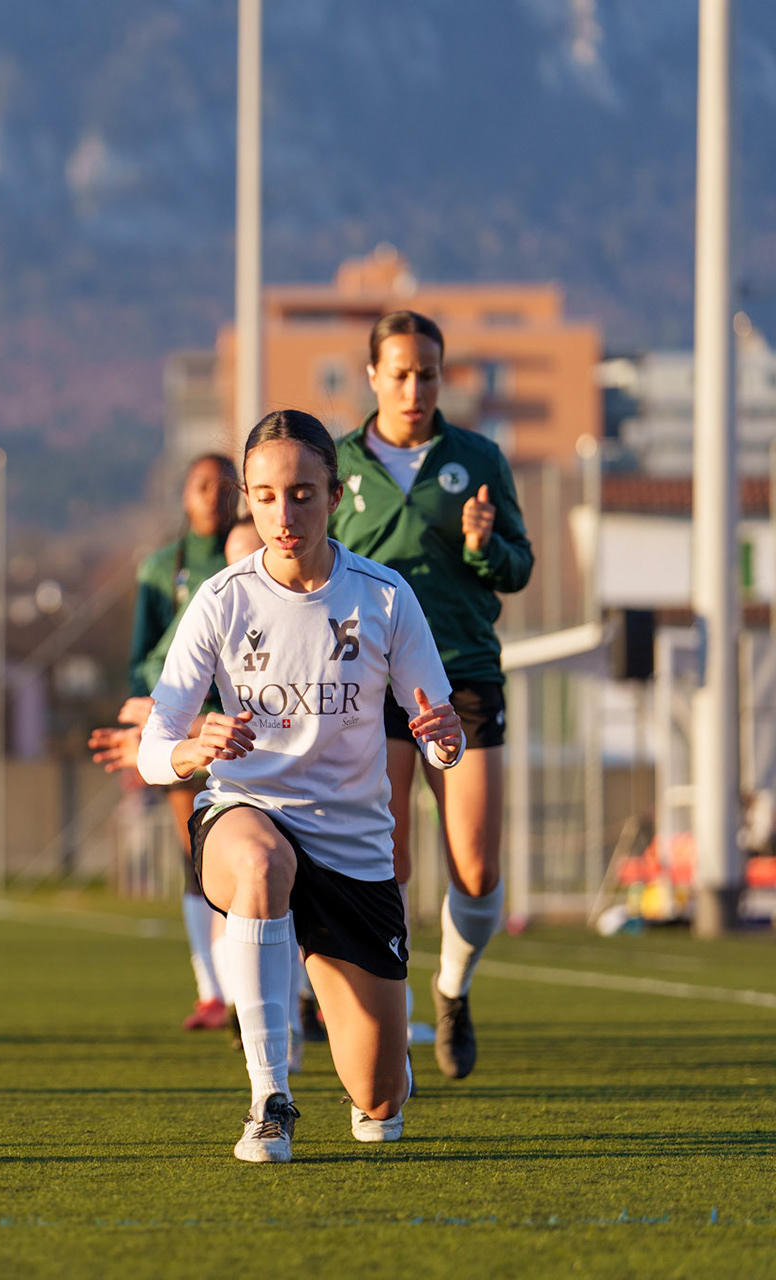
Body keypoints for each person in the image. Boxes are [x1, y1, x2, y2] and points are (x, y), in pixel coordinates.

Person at [137, 410, 465, 1162]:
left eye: (302, 494)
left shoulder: (384, 598)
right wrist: (194, 747)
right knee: (258, 863)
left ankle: (382, 1069)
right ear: (247, 500)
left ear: (335, 495)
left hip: (352, 847)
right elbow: (155, 751)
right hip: (244, 815)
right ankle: (268, 1098)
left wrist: (446, 746)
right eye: (264, 496)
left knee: (379, 1101)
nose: (283, 515)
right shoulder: (221, 601)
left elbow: (441, 729)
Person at [330, 310, 533, 1081]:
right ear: (374, 375)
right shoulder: (340, 462)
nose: (416, 387)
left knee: (475, 868)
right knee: (385, 859)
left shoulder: (477, 458)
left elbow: (517, 567)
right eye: (402, 372)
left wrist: (485, 545)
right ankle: (391, 1011)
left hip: (463, 671)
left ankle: (453, 991)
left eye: (429, 373)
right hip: (369, 679)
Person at [89, 455, 239, 1032]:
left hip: (237, 720)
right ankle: (211, 989)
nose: (214, 497)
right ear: (184, 495)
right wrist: (143, 729)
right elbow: (142, 653)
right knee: (197, 856)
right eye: (203, 486)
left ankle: (288, 992)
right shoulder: (161, 567)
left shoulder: (254, 553)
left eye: (226, 487)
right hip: (179, 719)